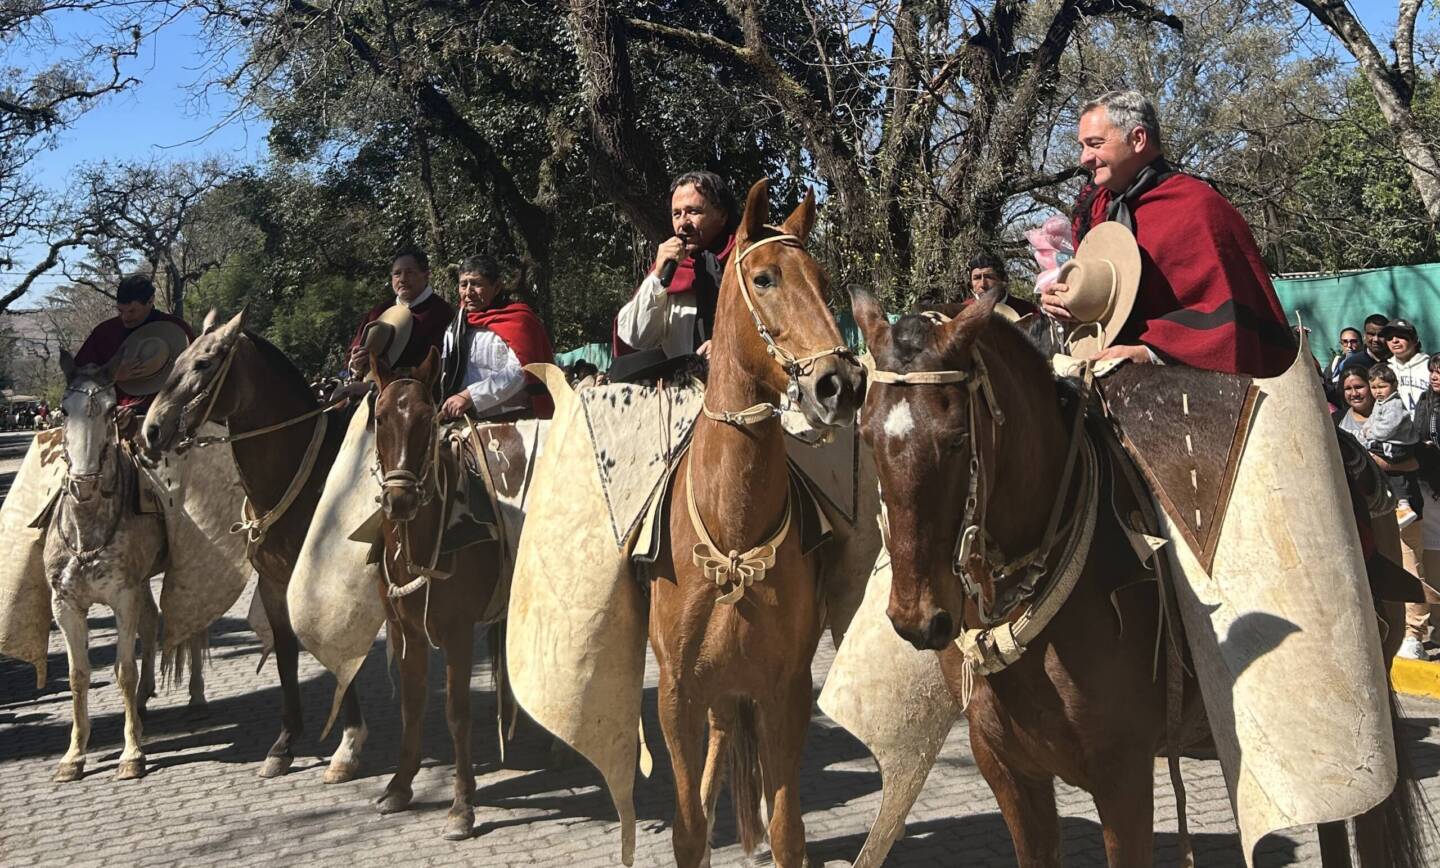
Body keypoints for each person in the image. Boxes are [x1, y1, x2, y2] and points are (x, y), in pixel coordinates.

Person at [1039, 90, 1294, 376]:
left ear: (1138, 139)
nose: (1085, 158)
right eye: (1082, 146)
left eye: (1095, 144)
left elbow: (1233, 317)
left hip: (1192, 392)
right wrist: (1067, 301)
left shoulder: (1197, 206)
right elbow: (1104, 305)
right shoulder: (1094, 210)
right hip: (1102, 380)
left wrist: (1150, 351)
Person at [1336, 367, 1429, 658]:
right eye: (1349, 388)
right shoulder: (1338, 424)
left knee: (1408, 565)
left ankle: (1413, 631)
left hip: (1396, 502)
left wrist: (1377, 462)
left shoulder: (1393, 415)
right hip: (1367, 506)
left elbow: (1414, 463)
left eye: (1361, 387)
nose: (1356, 393)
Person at [613, 170, 740, 362]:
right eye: (677, 214)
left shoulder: (749, 261)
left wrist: (731, 345)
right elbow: (637, 337)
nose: (683, 223)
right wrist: (657, 276)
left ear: (722, 215)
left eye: (693, 212)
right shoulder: (669, 271)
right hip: (685, 387)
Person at [437, 254, 556, 421]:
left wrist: (469, 396)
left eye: (476, 284)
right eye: (463, 284)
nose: (468, 292)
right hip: (469, 424)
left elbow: (523, 371)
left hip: (518, 424)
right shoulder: (456, 328)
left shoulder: (519, 320)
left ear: (497, 287)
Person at [74, 274, 195, 414]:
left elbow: (198, 376)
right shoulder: (104, 334)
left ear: (150, 301)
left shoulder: (179, 329)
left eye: (132, 311)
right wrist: (109, 375)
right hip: (114, 418)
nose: (125, 317)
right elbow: (77, 378)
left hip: (170, 416)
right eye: (120, 311)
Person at [348, 250, 455, 377]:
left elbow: (436, 365)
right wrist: (355, 363)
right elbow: (354, 352)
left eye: (409, 273)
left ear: (426, 276)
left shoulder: (442, 313)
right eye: (397, 274)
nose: (403, 279)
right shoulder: (378, 312)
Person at [1361, 363, 1420, 528]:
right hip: (1387, 442)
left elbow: (1386, 429)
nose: (1378, 391)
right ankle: (1392, 496)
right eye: (1373, 387)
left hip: (1399, 446)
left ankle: (1404, 504)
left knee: (1391, 468)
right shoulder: (1381, 403)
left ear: (1394, 385)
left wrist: (1371, 434)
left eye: (1382, 386)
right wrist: (1367, 429)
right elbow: (1372, 420)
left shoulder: (1394, 404)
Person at [965, 254, 1040, 317]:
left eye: (989, 277)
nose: (982, 284)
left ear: (1004, 280)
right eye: (977, 278)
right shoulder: (961, 312)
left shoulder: (1028, 312)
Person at [1381, 318, 1429, 411]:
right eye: (1389, 338)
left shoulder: (1429, 367)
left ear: (1415, 340)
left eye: (1400, 336)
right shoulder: (1386, 369)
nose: (1394, 340)